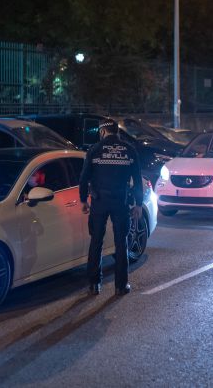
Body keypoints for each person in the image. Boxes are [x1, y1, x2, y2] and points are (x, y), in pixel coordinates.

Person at [80, 118, 143, 296]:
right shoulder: (130, 150)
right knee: (121, 243)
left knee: (96, 241)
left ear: (102, 132)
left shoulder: (94, 150)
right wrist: (138, 204)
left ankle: (94, 284)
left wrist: (83, 200)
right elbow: (137, 180)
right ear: (116, 131)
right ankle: (120, 286)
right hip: (121, 201)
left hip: (99, 201)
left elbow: (84, 177)